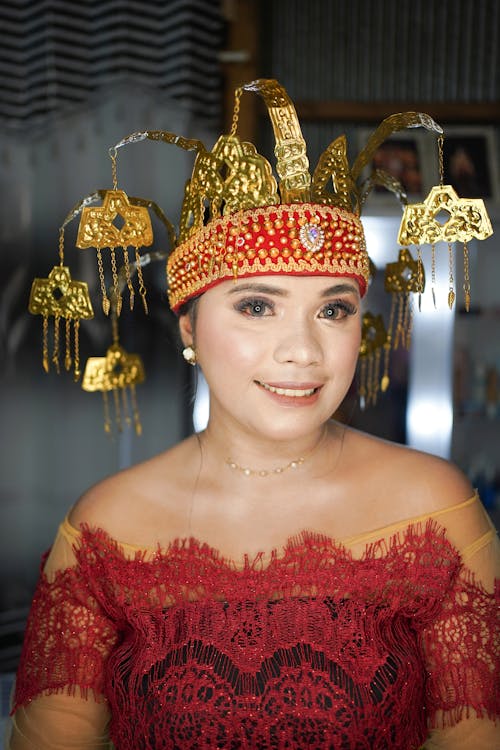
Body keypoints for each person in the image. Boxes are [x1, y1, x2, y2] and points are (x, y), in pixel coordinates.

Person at [8, 80, 499, 749]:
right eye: (256, 306)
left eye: (333, 310)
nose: (303, 351)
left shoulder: (433, 509)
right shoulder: (104, 529)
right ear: (188, 326)